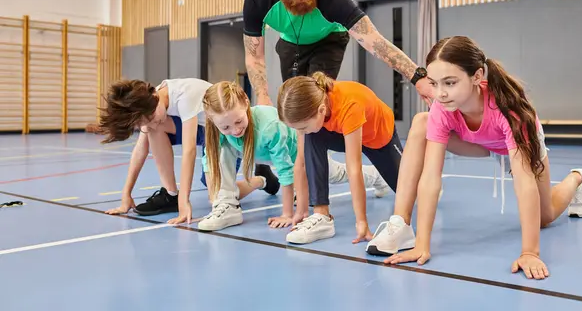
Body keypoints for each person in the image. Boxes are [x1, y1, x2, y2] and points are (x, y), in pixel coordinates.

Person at [365, 36, 582, 280]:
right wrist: (422, 243)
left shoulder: (509, 111)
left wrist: (530, 252)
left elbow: (524, 181)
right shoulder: (442, 108)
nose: (440, 93)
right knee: (421, 122)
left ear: (477, 76)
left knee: (544, 217)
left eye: (450, 83)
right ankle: (401, 223)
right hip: (480, 142)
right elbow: (431, 178)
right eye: (434, 83)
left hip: (520, 143)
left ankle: (578, 178)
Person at [242, 0, 433, 105]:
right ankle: (299, 150)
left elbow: (372, 39)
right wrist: (263, 97)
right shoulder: (257, 1)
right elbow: (254, 56)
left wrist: (416, 76)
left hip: (329, 39)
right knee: (295, 103)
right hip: (291, 42)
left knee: (316, 100)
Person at [197, 80, 391, 232]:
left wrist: (287, 214)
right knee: (220, 151)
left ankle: (377, 176)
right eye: (226, 127)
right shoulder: (218, 130)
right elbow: (209, 162)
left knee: (336, 173)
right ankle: (228, 206)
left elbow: (287, 171)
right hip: (260, 152)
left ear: (246, 103)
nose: (235, 130)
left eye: (239, 121)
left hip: (297, 152)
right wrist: (216, 200)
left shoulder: (270, 128)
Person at [97, 78, 278, 224]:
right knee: (153, 130)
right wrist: (126, 193)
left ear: (155, 95)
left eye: (152, 117)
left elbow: (190, 151)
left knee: (217, 194)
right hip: (201, 130)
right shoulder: (150, 106)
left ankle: (260, 180)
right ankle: (171, 194)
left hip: (221, 132)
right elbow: (140, 149)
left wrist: (186, 202)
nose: (152, 122)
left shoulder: (185, 95)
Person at [277, 71, 405, 245]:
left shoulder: (349, 105)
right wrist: (301, 211)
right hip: (341, 132)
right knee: (313, 137)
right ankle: (321, 215)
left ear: (321, 110)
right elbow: (301, 161)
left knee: (410, 191)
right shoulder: (312, 113)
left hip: (378, 138)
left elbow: (354, 169)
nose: (301, 133)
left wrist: (361, 222)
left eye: (303, 128)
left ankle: (383, 178)